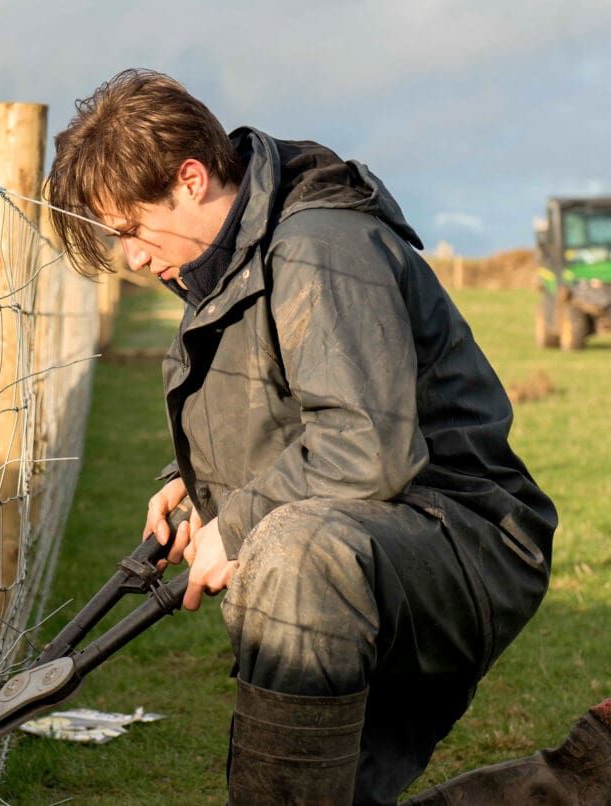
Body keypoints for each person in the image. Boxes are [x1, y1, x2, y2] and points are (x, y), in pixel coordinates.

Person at [45, 68, 590, 804]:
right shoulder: (237, 260)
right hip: (391, 528)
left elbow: (366, 444)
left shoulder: (317, 244)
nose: (133, 257)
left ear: (192, 178)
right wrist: (201, 488)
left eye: (133, 228)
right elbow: (302, 406)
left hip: (469, 531)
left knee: (291, 555)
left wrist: (237, 521)